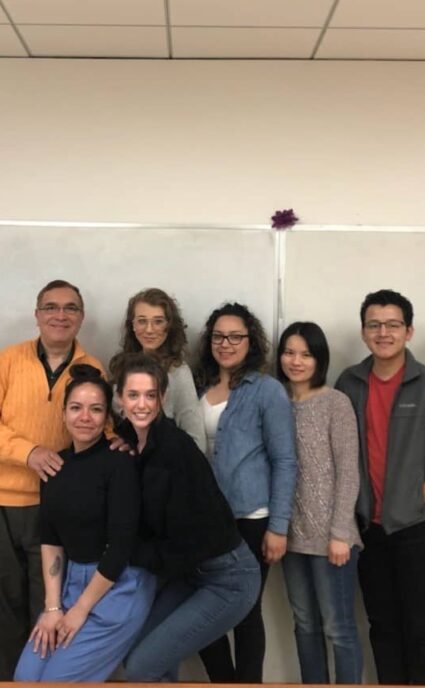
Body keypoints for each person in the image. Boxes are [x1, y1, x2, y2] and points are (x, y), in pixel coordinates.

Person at [0, 280, 105, 680]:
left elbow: (101, 430)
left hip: (56, 509)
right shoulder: (9, 360)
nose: (61, 315)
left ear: (81, 317)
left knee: (50, 607)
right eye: (51, 307)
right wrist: (28, 452)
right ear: (37, 314)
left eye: (70, 308)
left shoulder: (93, 369)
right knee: (3, 609)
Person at [334, 289, 425, 686]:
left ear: (408, 331)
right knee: (382, 626)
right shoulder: (350, 382)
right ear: (364, 333)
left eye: (393, 325)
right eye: (374, 325)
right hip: (368, 529)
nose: (383, 333)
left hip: (418, 529)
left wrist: (419, 496)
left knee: (421, 629)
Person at [114, 354, 261, 682]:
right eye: (133, 395)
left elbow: (180, 544)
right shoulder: (127, 442)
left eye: (150, 395)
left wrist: (123, 549)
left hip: (228, 578)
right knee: (134, 649)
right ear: (120, 398)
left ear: (163, 398)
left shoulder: (174, 451)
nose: (141, 404)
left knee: (142, 666)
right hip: (191, 574)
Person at [14, 365, 155, 682]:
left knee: (55, 682)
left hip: (118, 585)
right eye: (76, 408)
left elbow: (120, 547)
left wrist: (79, 611)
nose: (84, 417)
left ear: (108, 417)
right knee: (25, 679)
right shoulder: (54, 466)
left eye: (95, 410)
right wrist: (53, 609)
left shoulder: (120, 461)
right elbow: (50, 539)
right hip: (70, 584)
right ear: (63, 413)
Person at [195, 302, 296, 684]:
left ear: (250, 340)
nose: (226, 343)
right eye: (219, 336)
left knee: (246, 611)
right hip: (205, 519)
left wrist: (279, 526)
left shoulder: (266, 390)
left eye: (235, 336)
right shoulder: (199, 384)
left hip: (251, 518)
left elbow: (285, 460)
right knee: (205, 609)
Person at [277, 322, 363, 685]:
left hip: (332, 538)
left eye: (306, 354)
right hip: (290, 538)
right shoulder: (275, 401)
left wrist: (341, 531)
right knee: (304, 625)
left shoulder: (335, 403)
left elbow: (348, 471)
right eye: (289, 352)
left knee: (338, 628)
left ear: (319, 359)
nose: (296, 361)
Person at [108, 288, 205, 451]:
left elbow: (196, 439)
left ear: (169, 325)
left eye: (158, 321)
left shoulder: (178, 372)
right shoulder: (122, 365)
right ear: (132, 325)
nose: (149, 329)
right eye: (142, 321)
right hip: (125, 465)